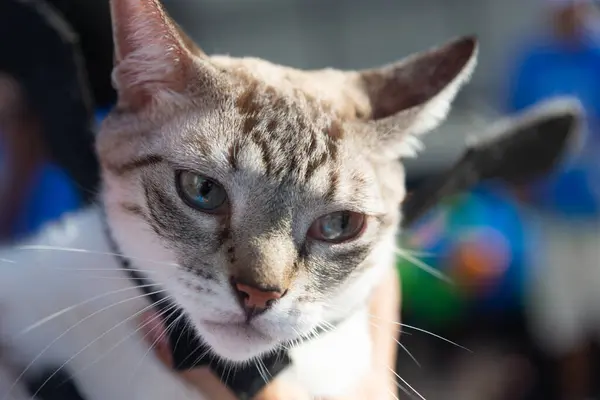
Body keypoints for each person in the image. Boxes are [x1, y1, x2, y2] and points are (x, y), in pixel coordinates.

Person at [504, 0, 600, 398]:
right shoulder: (532, 60)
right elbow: (516, 128)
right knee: (563, 324)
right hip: (552, 215)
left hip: (596, 215)